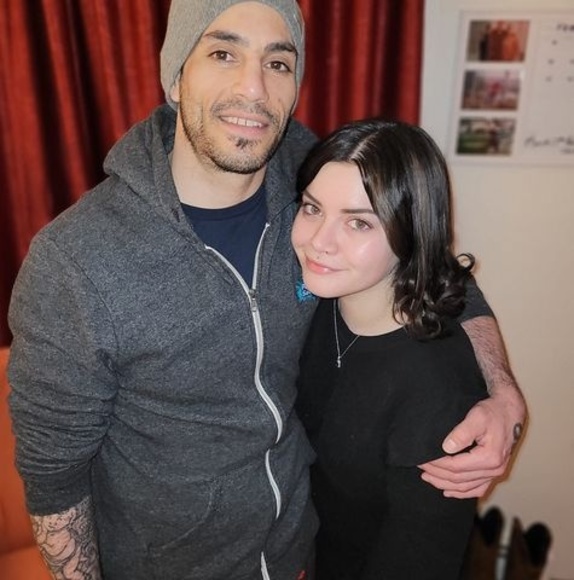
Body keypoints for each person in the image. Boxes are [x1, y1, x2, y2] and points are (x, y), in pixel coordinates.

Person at [7, 1, 525, 579]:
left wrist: (502, 391)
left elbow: (430, 263)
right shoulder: (74, 262)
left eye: (278, 63)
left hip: (297, 554)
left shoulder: (310, 175)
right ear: (176, 78)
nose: (253, 88)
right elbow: (54, 477)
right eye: (223, 54)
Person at [293, 118, 489, 579]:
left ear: (412, 233)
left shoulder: (438, 388)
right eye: (312, 208)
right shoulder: (320, 301)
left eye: (359, 223)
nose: (319, 242)